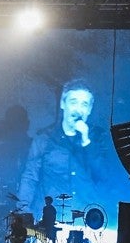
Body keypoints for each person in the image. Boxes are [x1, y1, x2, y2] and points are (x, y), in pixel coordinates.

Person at [16, 79, 108, 218]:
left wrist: (86, 141)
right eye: (73, 102)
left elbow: (103, 177)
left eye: (84, 104)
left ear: (89, 109)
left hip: (86, 219)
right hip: (48, 218)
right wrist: (23, 211)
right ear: (63, 104)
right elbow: (30, 177)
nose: (78, 109)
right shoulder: (44, 139)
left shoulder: (97, 140)